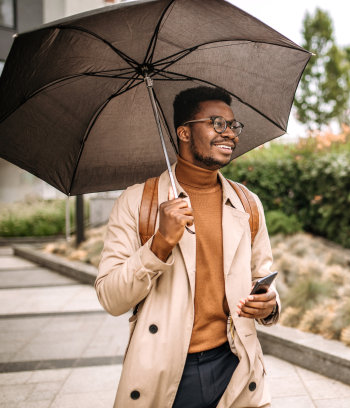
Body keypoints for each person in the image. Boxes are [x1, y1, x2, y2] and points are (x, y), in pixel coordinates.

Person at [96, 86, 280, 408]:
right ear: (184, 132)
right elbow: (111, 297)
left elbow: (262, 277)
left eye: (233, 125)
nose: (230, 134)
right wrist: (159, 245)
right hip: (167, 373)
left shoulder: (248, 204)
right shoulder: (138, 202)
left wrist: (269, 305)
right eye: (217, 123)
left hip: (236, 366)